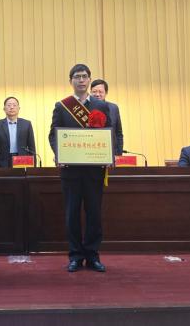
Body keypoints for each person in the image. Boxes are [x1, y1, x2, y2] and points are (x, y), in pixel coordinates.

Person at [48, 64, 112, 273]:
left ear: (89, 80)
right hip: (71, 170)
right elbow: (53, 135)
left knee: (94, 213)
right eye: (77, 77)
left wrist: (109, 155)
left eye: (84, 76)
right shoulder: (62, 106)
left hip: (94, 170)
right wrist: (59, 154)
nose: (81, 80)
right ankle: (75, 255)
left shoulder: (101, 106)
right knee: (71, 214)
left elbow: (109, 132)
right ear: (71, 81)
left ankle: (92, 255)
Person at [0, 97, 36, 168]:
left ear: (19, 108)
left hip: (22, 160)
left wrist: (34, 166)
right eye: (9, 105)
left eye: (14, 105)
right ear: (4, 109)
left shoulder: (27, 124)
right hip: (3, 161)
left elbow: (32, 147)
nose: (12, 107)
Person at [90, 79, 124, 156]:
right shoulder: (85, 108)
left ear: (106, 93)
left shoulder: (113, 108)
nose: (97, 94)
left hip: (110, 152)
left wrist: (119, 153)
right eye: (94, 91)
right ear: (90, 92)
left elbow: (118, 133)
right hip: (91, 151)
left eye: (100, 92)